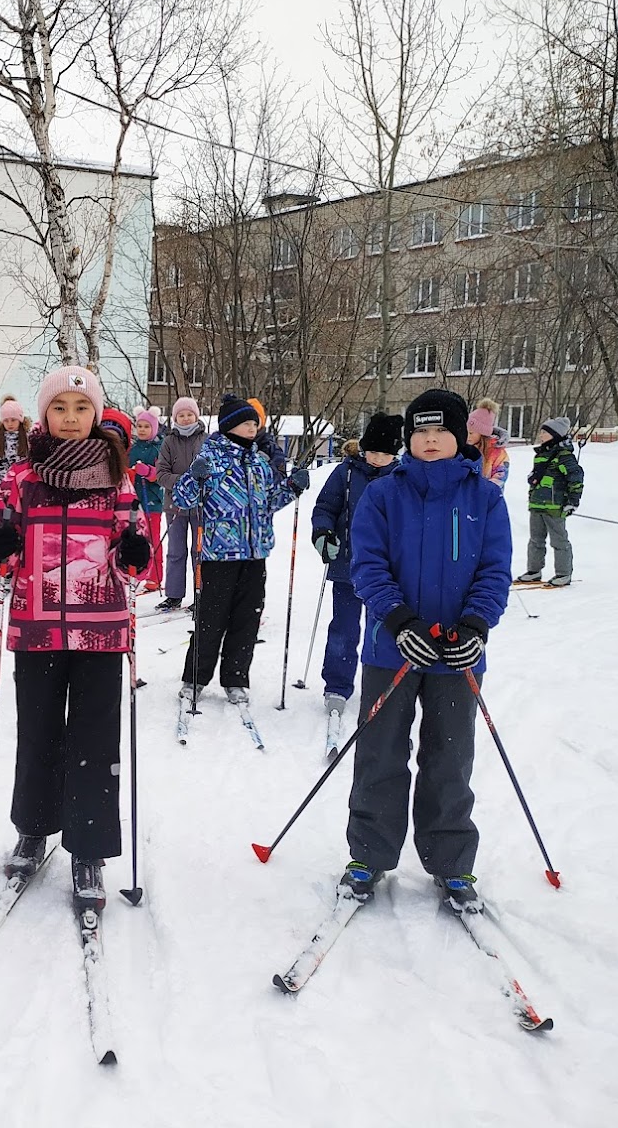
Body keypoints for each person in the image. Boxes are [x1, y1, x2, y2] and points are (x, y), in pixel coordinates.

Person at [0, 365, 153, 909]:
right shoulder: (21, 480)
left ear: (95, 415)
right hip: (37, 631)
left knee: (96, 744)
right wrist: (2, 545)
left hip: (101, 634)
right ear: (44, 415)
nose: (71, 418)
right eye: (60, 408)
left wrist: (134, 557)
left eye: (81, 408)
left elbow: (138, 556)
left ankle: (89, 848)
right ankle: (34, 828)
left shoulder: (118, 481)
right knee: (38, 734)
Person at [339, 388, 511, 913]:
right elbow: (366, 565)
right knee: (380, 754)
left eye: (440, 431)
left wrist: (476, 625)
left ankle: (452, 861)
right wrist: (399, 619)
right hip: (391, 649)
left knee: (450, 757)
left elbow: (494, 571)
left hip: (457, 653)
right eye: (420, 431)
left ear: (460, 437)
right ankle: (368, 854)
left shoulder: (484, 497)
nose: (429, 440)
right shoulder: (383, 494)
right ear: (407, 437)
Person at [174, 395, 308, 711]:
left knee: (247, 620)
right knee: (210, 620)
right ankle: (195, 678)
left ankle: (235, 679)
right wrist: (195, 475)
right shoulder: (211, 458)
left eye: (254, 423)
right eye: (248, 422)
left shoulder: (260, 463)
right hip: (219, 555)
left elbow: (270, 502)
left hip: (254, 554)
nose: (253, 428)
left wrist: (291, 488)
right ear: (231, 425)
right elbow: (184, 498)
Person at [310, 414, 402, 724]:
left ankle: (383, 683)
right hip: (347, 567)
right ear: (363, 449)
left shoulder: (402, 477)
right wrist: (323, 533)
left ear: (396, 453)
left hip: (387, 575)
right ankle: (337, 685)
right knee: (344, 630)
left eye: (385, 454)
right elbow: (325, 508)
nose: (378, 459)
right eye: (373, 452)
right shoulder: (346, 473)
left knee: (383, 632)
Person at [516, 416, 584, 586]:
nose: (541, 435)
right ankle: (534, 570)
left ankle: (563, 573)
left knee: (559, 540)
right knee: (535, 540)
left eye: (545, 432)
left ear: (555, 435)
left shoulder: (564, 456)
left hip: (555, 506)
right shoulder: (541, 455)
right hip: (537, 504)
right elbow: (536, 476)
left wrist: (572, 501)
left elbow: (575, 478)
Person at [155, 397, 206, 612]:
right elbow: (161, 473)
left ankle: (201, 593)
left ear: (196, 416)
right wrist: (183, 481)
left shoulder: (205, 440)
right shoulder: (169, 441)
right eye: (181, 415)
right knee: (176, 551)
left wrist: (201, 479)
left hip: (200, 507)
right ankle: (174, 595)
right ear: (175, 418)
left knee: (200, 551)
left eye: (189, 414)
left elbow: (212, 470)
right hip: (175, 505)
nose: (185, 419)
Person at [128, 408, 165, 592]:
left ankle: (156, 577)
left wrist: (149, 472)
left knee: (153, 539)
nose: (142, 430)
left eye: (146, 426)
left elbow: (161, 474)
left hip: (152, 500)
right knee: (135, 537)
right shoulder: (132, 449)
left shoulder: (159, 448)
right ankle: (134, 572)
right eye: (139, 426)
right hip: (134, 500)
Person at [468, 398, 509, 488]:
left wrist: (483, 490)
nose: (467, 436)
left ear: (483, 434)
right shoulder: (463, 449)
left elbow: (500, 477)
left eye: (471, 433)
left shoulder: (497, 452)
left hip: (488, 498)